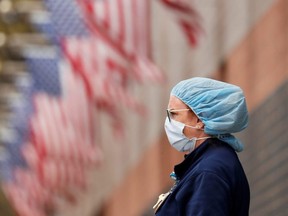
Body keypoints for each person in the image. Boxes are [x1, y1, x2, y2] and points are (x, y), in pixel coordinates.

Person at [153, 77, 250, 216]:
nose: (169, 122)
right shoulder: (206, 164)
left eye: (173, 114)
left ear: (199, 119)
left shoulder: (208, 171)